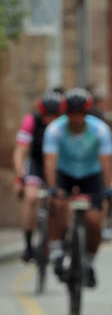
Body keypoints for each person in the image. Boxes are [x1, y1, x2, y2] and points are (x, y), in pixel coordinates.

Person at [43, 88, 112, 288]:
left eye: (80, 114)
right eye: (71, 114)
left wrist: (107, 187)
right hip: (65, 173)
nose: (75, 119)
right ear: (65, 114)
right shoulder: (55, 130)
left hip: (91, 174)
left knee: (93, 220)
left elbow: (107, 161)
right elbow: (50, 161)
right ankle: (57, 251)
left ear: (86, 113)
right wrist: (52, 187)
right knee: (58, 203)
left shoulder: (100, 130)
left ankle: (90, 262)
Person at [12, 89, 64, 262]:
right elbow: (20, 151)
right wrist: (20, 177)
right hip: (36, 164)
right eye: (46, 116)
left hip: (58, 164)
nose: (50, 120)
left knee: (57, 201)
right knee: (32, 198)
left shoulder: (64, 125)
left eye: (54, 116)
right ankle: (28, 244)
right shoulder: (31, 121)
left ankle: (59, 239)